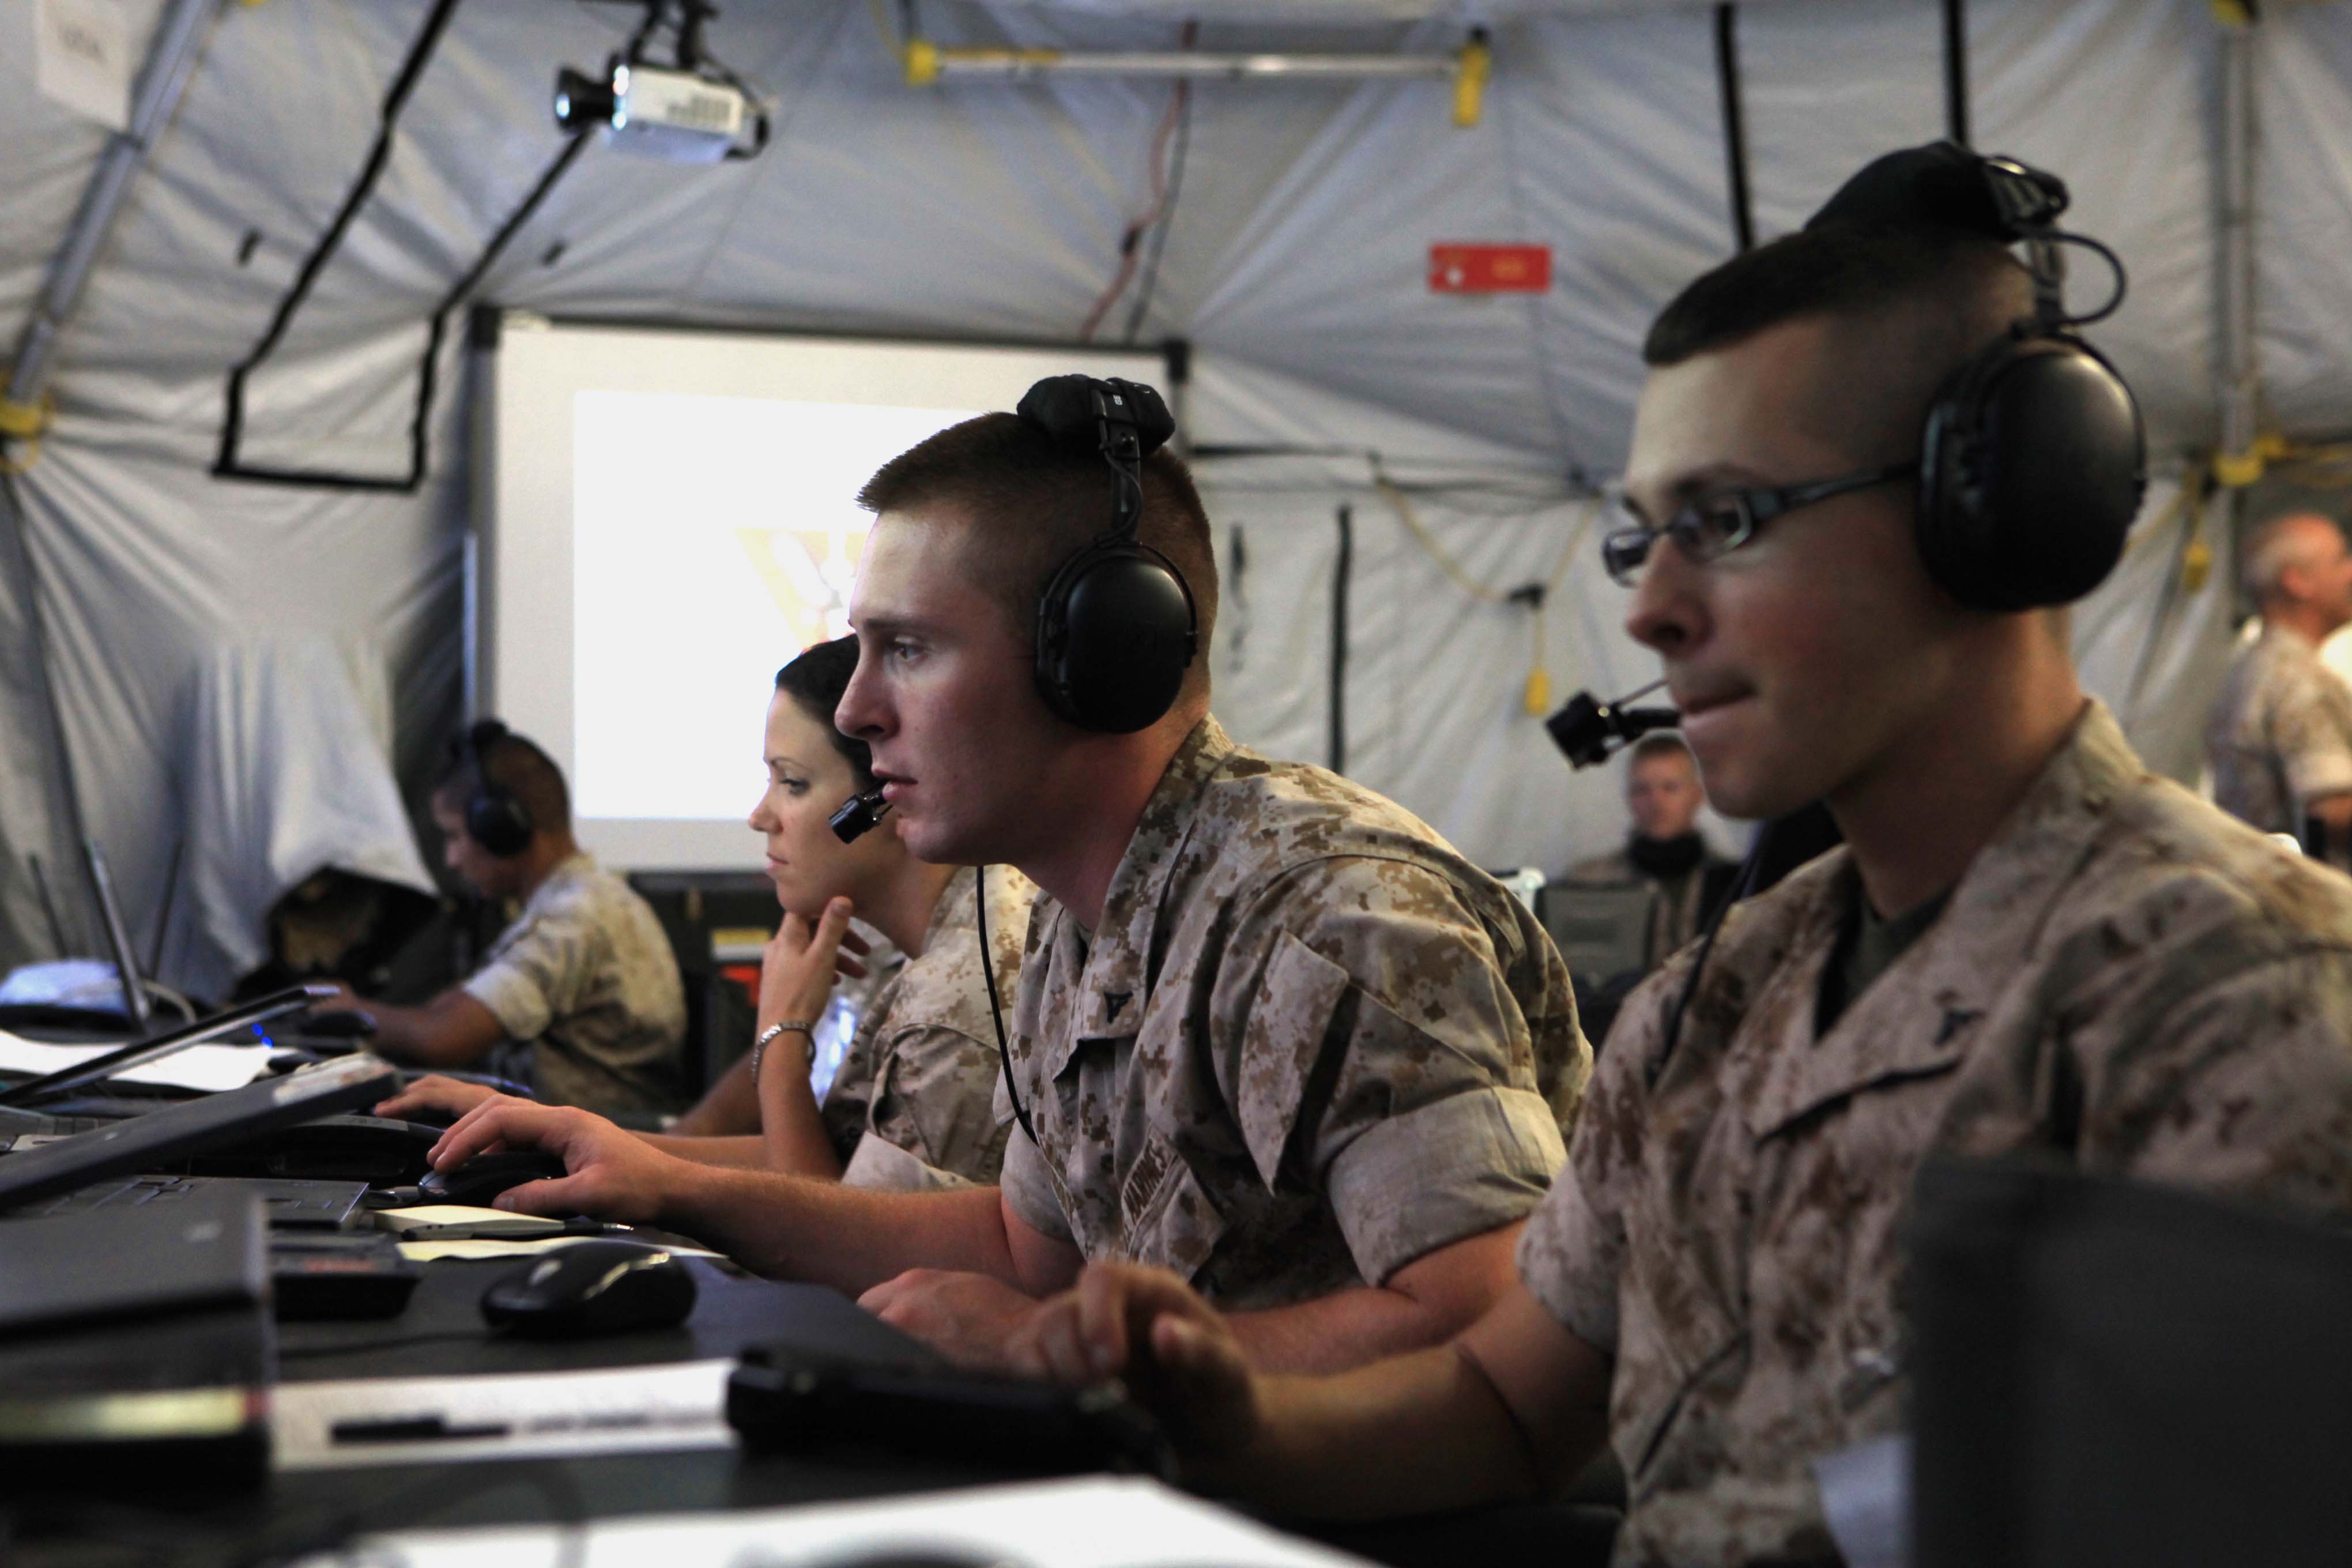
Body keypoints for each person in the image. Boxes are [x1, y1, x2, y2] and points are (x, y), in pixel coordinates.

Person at [994, 145, 2352, 1564]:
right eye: (1640, 535)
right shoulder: (1720, 999)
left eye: (1723, 520)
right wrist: (1215, 1408)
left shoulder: (2232, 1001)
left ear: (1997, 506)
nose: (1646, 610)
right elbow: (1500, 1401)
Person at [425, 395, 1590, 1375]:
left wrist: (1049, 1348)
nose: (856, 710)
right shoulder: (1075, 932)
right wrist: (659, 1182)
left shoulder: (1332, 920)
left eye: (912, 650)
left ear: (1099, 662)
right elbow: (1023, 1245)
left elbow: (1489, 1319)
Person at [379, 639, 1031, 1192]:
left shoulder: (959, 999)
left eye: (793, 782)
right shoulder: (877, 943)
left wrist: (781, 1037)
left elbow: (843, 1240)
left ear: (886, 793)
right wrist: (564, 1138)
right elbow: (824, 1165)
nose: (760, 815)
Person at [315, 722, 688, 1118]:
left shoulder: (578, 915)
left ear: (501, 828)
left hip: (597, 1144)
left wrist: (349, 1011)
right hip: (573, 1130)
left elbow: (444, 1037)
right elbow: (453, 1009)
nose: (452, 859)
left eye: (456, 836)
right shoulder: (564, 903)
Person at [2205, 510, 2352, 860]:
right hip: (2312, 901)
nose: (2351, 571)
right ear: (2297, 581)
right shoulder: (2298, 679)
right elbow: (2329, 809)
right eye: (2340, 559)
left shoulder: (2249, 668)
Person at [1558, 731, 1740, 971]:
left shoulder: (1735, 885)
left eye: (1670, 787)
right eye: (1642, 789)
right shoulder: (1587, 883)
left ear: (1697, 795)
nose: (1656, 801)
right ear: (1629, 798)